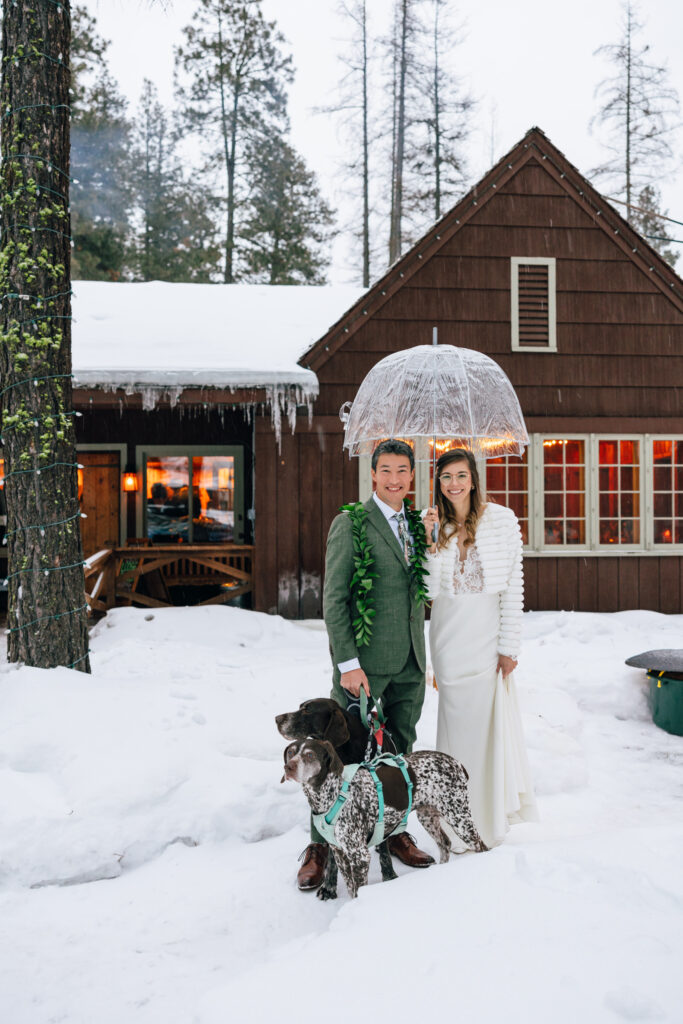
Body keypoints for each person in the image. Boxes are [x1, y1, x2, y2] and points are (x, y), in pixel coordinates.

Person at [296, 439, 435, 890]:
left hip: (412, 661)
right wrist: (348, 664)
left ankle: (392, 832)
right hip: (365, 666)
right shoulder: (351, 523)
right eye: (386, 470)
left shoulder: (413, 523)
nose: (395, 478)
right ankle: (320, 845)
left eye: (403, 471)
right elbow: (333, 599)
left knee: (399, 754)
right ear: (373, 475)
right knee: (340, 757)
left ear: (412, 476)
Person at [422, 448, 538, 849]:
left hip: (487, 637)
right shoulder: (431, 522)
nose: (453, 484)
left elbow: (513, 590)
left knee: (487, 731)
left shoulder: (502, 521)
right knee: (456, 731)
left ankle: (487, 819)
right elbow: (429, 592)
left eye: (460, 475)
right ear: (438, 483)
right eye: (445, 477)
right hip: (449, 638)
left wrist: (509, 646)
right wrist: (431, 543)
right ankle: (454, 823)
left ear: (473, 478)